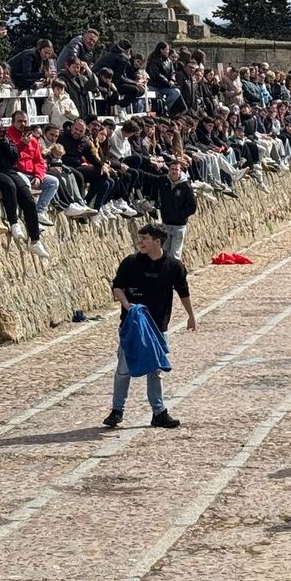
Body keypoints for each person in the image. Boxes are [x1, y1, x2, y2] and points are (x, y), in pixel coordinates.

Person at [106, 223, 196, 429]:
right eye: (140, 238)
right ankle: (117, 411)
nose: (140, 242)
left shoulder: (174, 266)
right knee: (123, 368)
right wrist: (127, 305)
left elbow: (183, 292)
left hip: (158, 327)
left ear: (157, 241)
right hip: (132, 325)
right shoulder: (130, 262)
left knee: (155, 370)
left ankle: (159, 412)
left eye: (144, 238)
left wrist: (191, 316)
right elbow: (117, 286)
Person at [0, 119, 51, 259]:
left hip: (9, 170)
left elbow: (14, 157)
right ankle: (13, 222)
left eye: (0, 131)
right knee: (9, 186)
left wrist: (3, 142)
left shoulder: (5, 140)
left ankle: (35, 239)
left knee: (28, 198)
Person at [156, 162, 197, 261]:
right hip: (166, 224)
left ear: (180, 171)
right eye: (172, 169)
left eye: (176, 169)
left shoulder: (185, 185)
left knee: (175, 254)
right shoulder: (163, 180)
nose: (174, 171)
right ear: (169, 170)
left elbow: (192, 206)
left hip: (179, 225)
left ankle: (175, 270)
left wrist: (181, 215)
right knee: (164, 252)